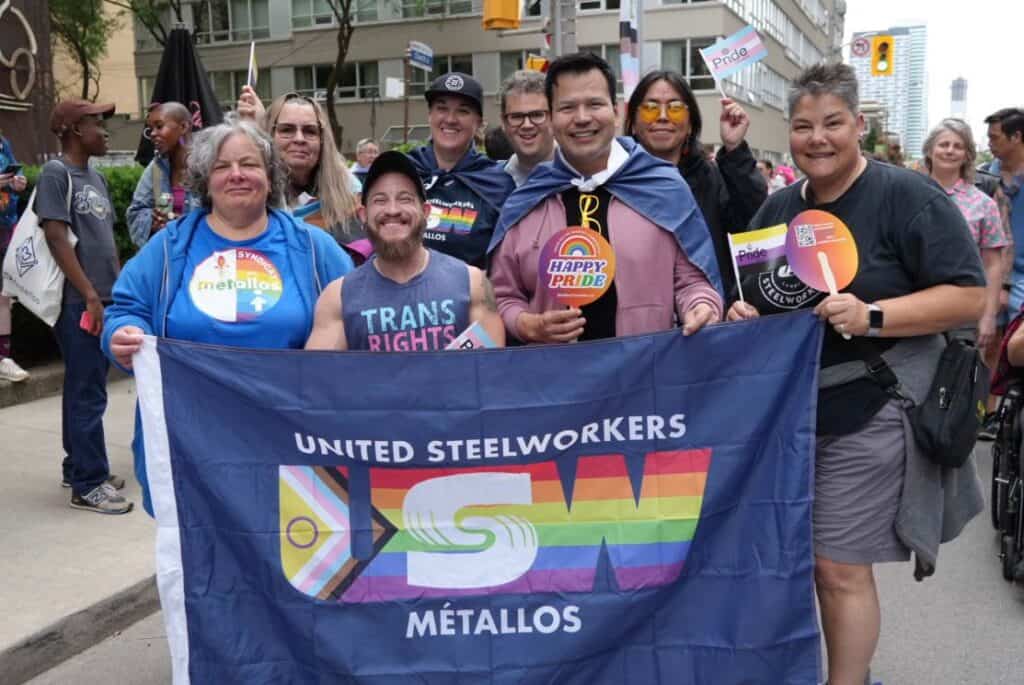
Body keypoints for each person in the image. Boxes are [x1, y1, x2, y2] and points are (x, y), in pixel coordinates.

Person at [726, 63, 985, 685]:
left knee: (839, 566)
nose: (817, 138)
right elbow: (761, 303)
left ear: (858, 126)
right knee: (805, 564)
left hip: (876, 404)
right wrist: (741, 312)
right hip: (792, 414)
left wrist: (873, 314)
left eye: (832, 124)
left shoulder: (909, 196)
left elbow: (969, 297)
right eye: (803, 126)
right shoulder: (779, 206)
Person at [103, 115, 353, 516]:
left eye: (250, 164)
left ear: (270, 177)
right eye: (222, 166)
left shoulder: (313, 248)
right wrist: (122, 333)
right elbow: (126, 309)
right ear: (205, 180)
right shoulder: (168, 249)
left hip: (289, 446)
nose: (237, 175)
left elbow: (357, 313)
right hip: (194, 448)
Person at [489, 52, 723, 344]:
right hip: (554, 380)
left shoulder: (665, 188)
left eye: (594, 104)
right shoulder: (527, 200)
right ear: (550, 117)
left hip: (644, 375)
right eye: (567, 107)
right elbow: (502, 295)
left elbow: (693, 280)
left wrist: (701, 307)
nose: (582, 118)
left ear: (615, 111)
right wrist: (526, 325)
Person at [306, 151, 504, 352]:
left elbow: (491, 374)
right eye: (380, 200)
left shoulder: (473, 284)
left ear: (426, 212)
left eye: (405, 199)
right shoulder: (338, 298)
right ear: (363, 215)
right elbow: (319, 379)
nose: (392, 210)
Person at [38, 100, 131, 514]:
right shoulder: (56, 174)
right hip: (80, 300)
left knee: (83, 385)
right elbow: (57, 237)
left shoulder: (94, 176)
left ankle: (78, 465)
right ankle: (88, 484)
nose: (105, 130)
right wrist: (90, 295)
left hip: (103, 295)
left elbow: (102, 239)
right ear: (75, 129)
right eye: (97, 123)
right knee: (88, 391)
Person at [623, 69, 767, 302]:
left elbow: (753, 224)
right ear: (632, 122)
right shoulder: (612, 181)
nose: (662, 116)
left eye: (675, 108)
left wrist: (735, 150)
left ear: (690, 125)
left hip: (709, 317)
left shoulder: (710, 178)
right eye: (650, 107)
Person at [236, 87, 368, 263]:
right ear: (269, 135)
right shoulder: (250, 196)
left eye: (310, 131)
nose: (299, 138)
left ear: (322, 140)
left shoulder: (351, 198)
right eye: (287, 130)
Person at [406, 72, 515, 268]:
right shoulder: (402, 171)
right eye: (441, 108)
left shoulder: (499, 182)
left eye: (463, 111)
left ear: (479, 123)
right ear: (430, 115)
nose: (450, 119)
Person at [126, 102, 202, 246]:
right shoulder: (156, 169)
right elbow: (135, 212)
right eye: (150, 129)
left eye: (159, 126)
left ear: (184, 127)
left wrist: (180, 223)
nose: (153, 134)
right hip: (167, 258)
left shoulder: (206, 167)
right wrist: (153, 222)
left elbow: (223, 215)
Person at [985, 108, 1024, 313]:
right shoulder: (983, 177)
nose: (990, 143)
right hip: (988, 275)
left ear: (1016, 136)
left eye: (995, 137)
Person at [0, 128, 29, 382]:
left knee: (3, 295)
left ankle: (3, 357)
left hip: (5, 225)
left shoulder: (2, 141)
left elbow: (14, 170)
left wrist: (18, 181)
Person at [498, 70, 556, 188]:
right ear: (503, 122)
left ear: (554, 117)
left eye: (537, 115)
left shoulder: (582, 174)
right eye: (517, 116)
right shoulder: (491, 182)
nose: (527, 125)